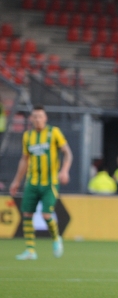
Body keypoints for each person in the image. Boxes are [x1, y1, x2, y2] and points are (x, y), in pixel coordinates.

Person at [9, 105, 73, 260]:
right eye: (35, 116)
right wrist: (16, 181)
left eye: (40, 116)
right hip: (32, 182)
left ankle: (56, 238)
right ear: (31, 119)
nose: (37, 119)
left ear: (45, 118)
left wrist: (64, 170)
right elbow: (24, 160)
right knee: (27, 214)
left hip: (49, 182)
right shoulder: (27, 136)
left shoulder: (53, 132)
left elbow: (67, 153)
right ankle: (30, 250)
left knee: (46, 214)